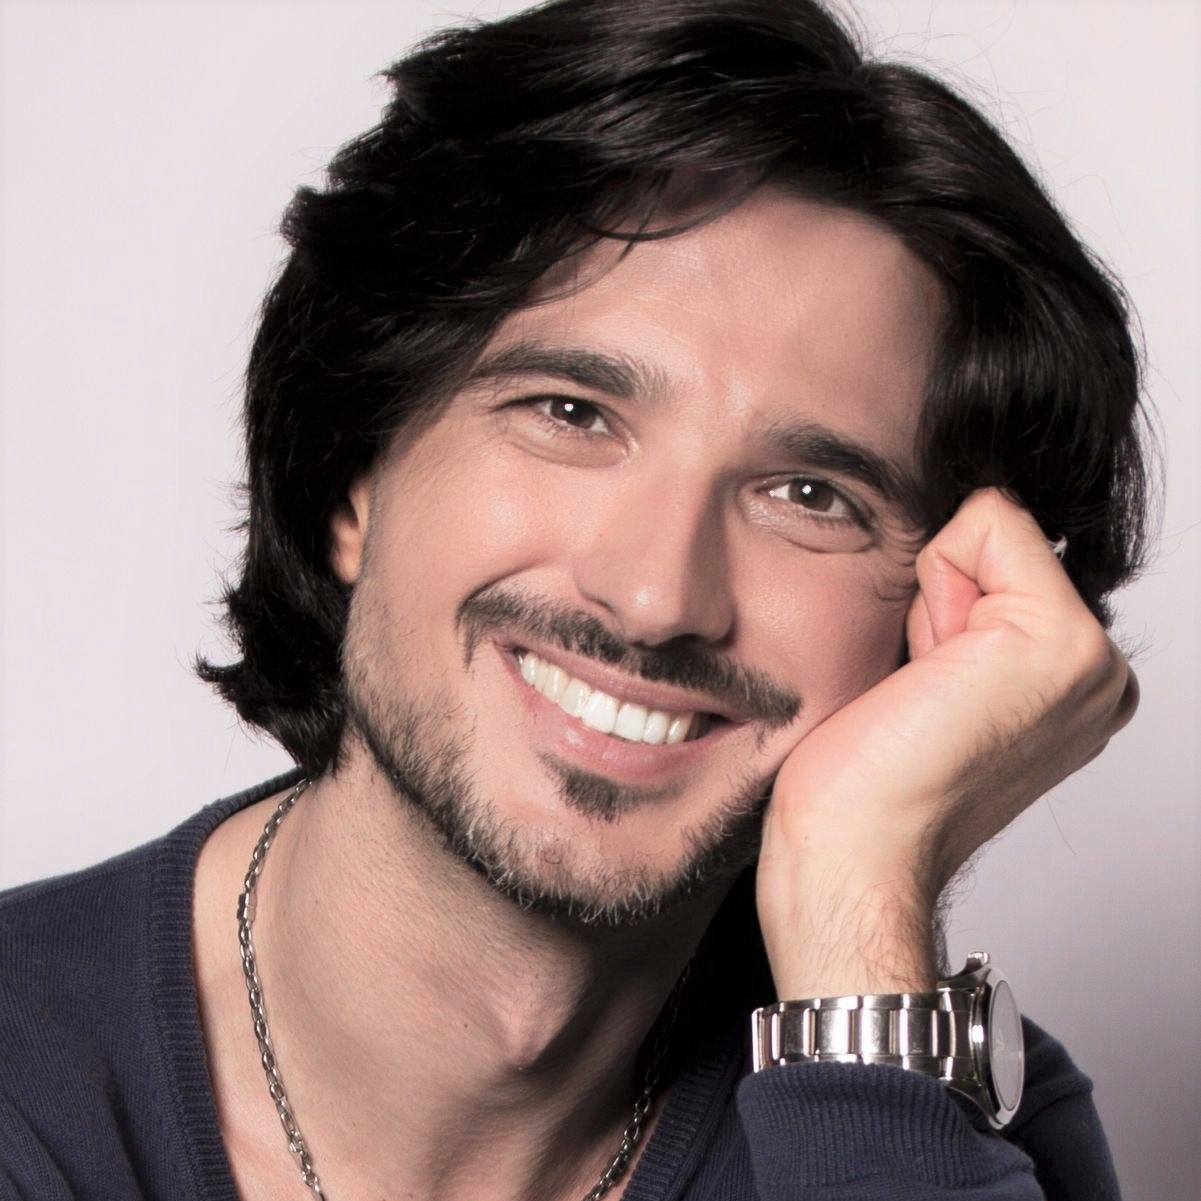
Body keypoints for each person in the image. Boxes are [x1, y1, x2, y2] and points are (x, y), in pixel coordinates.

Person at [0, 0, 1149, 1198]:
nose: (654, 597)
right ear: (352, 476)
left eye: (809, 495)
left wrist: (861, 912)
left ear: (936, 626)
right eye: (571, 414)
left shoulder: (934, 1108)